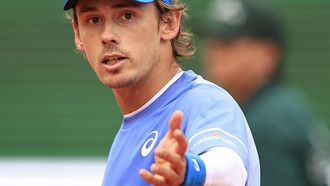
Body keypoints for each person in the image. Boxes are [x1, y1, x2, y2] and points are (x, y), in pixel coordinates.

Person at [63, 0, 260, 185]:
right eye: (93, 19)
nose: (107, 36)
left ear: (169, 23)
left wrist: (190, 171)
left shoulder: (205, 102)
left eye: (127, 15)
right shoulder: (130, 129)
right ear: (78, 35)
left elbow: (229, 168)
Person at [201, 0, 325, 185]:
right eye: (212, 41)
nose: (213, 52)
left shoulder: (267, 123)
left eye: (228, 43)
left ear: (267, 54)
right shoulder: (283, 105)